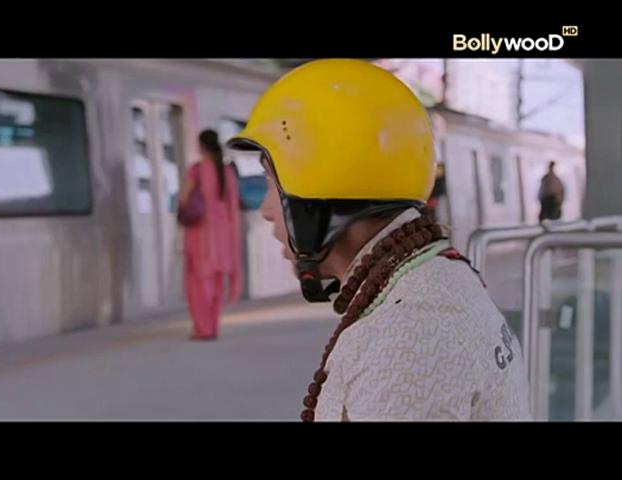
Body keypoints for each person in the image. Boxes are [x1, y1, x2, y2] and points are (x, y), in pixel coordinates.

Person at [227, 59, 531, 421]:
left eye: (271, 184)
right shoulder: (424, 285)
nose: (265, 210)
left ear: (320, 188)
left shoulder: (408, 338)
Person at [179, 130, 243, 340]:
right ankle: (212, 327)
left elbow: (184, 199)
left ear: (201, 146)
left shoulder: (197, 170)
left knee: (198, 284)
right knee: (216, 284)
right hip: (224, 236)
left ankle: (203, 328)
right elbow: (233, 206)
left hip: (201, 235)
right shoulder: (227, 172)